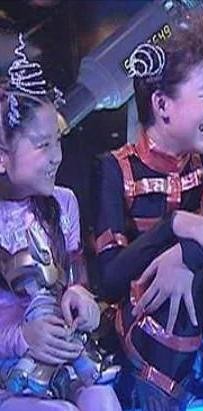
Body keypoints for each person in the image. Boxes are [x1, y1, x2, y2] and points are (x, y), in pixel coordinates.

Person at [91, 25, 203, 411]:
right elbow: (109, 277)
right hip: (142, 320)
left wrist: (184, 258)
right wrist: (172, 226)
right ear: (162, 105)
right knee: (171, 300)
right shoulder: (115, 168)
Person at [0, 35, 121, 411]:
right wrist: (23, 338)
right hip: (9, 370)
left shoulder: (63, 203)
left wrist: (82, 302)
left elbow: (75, 282)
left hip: (59, 365)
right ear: (2, 156)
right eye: (42, 145)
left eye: (58, 142)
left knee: (102, 399)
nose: (56, 157)